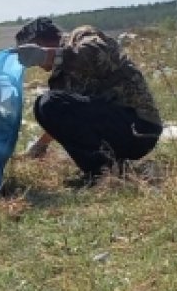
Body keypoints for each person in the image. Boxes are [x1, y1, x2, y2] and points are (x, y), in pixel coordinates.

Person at [14, 17, 162, 184]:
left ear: (41, 42)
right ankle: (103, 170)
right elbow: (67, 115)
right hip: (119, 130)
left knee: (48, 103)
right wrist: (41, 146)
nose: (36, 64)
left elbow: (95, 53)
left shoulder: (82, 36)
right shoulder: (61, 77)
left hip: (139, 125)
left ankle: (102, 172)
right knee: (44, 106)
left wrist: (49, 56)